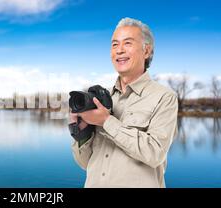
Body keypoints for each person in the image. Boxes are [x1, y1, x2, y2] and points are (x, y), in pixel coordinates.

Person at [70, 17, 178, 188]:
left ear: (146, 51)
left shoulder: (164, 97)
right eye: (114, 45)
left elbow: (155, 154)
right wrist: (81, 133)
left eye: (127, 43)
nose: (119, 50)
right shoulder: (101, 100)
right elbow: (86, 163)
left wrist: (106, 122)